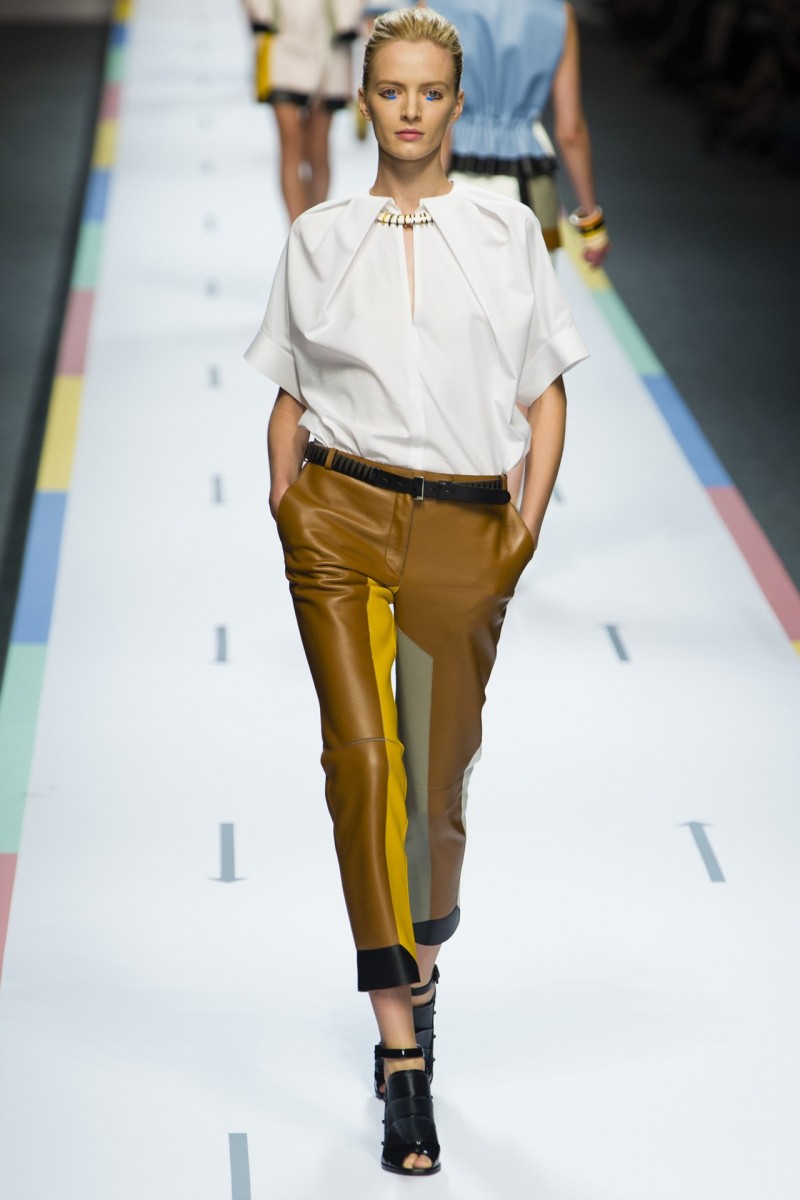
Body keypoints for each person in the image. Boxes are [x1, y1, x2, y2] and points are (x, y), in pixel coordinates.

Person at [245, 6, 587, 1176]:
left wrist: (520, 534)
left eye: (427, 91)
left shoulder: (506, 232)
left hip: (461, 528)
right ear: (364, 100)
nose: (407, 109)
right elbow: (287, 393)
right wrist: (289, 504)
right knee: (360, 761)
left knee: (433, 787)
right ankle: (401, 1051)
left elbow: (545, 393)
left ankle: (420, 970)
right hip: (338, 518)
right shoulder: (318, 237)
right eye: (388, 89)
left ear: (453, 101)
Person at [433, 0, 611, 265]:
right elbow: (570, 130)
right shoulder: (557, 12)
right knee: (534, 287)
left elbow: (428, 109)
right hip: (531, 178)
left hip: (452, 173)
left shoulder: (435, 6)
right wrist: (592, 225)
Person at [247, 0, 364, 222]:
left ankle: (314, 229)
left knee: (318, 147)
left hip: (329, 34)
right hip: (281, 34)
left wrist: (345, 18)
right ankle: (296, 231)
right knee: (290, 145)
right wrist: (263, 13)